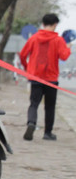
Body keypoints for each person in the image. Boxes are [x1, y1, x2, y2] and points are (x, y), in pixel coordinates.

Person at [20, 13, 71, 141]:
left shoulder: (34, 38)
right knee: (50, 106)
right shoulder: (58, 40)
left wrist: (28, 68)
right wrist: (68, 48)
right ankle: (48, 133)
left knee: (34, 104)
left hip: (36, 78)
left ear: (43, 24)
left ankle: (31, 123)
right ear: (55, 25)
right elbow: (64, 56)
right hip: (51, 79)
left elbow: (22, 55)